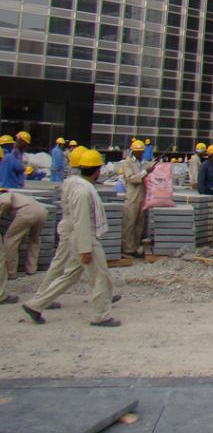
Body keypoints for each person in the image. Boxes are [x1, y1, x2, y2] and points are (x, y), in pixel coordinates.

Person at [22, 149, 121, 327]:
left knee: (70, 275)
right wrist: (86, 249)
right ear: (97, 170)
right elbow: (82, 222)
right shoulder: (83, 192)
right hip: (85, 238)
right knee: (100, 275)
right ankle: (101, 315)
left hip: (78, 237)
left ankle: (35, 304)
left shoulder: (75, 184)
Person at [118, 140, 154, 257]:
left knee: (139, 224)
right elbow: (132, 179)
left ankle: (135, 247)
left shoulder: (144, 162)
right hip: (132, 197)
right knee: (130, 224)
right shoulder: (127, 163)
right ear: (133, 151)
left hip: (142, 196)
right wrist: (145, 172)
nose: (139, 153)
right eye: (138, 151)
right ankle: (128, 249)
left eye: (141, 151)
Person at [0, 188, 47, 277]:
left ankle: (10, 273)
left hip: (27, 212)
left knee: (10, 241)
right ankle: (31, 269)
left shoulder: (5, 194)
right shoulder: (20, 196)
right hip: (42, 212)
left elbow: (5, 202)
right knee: (34, 241)